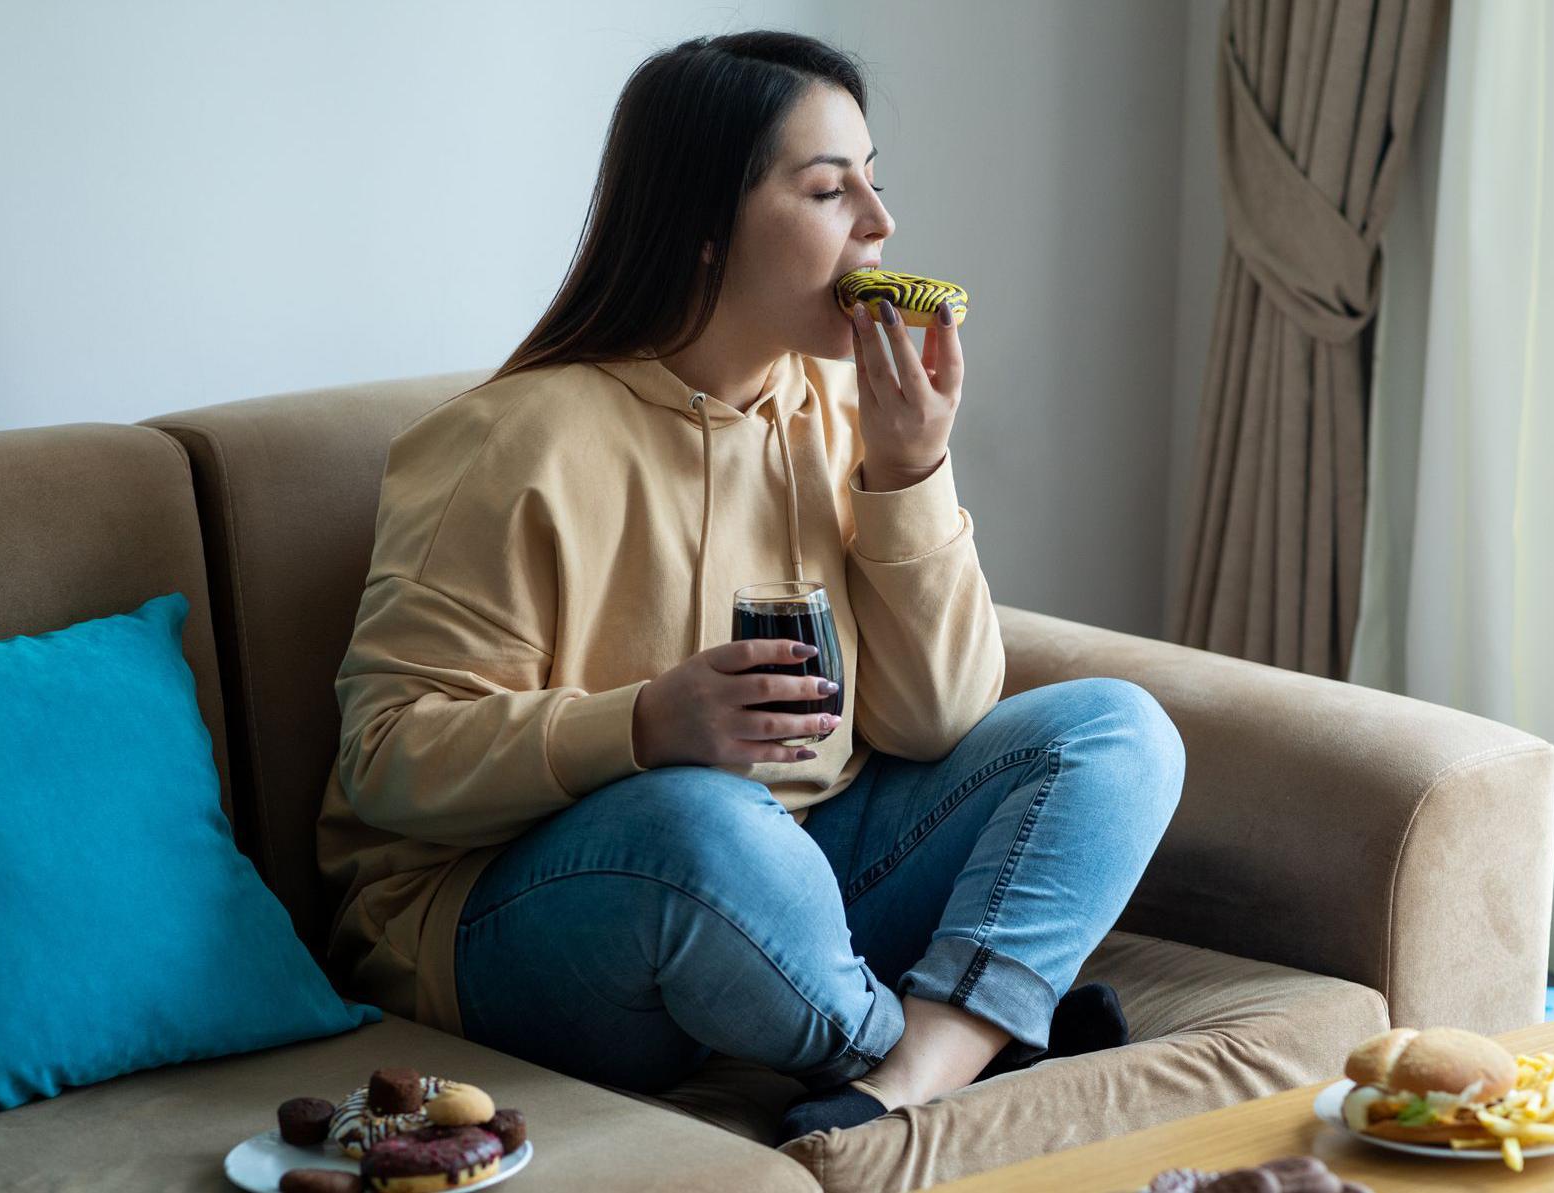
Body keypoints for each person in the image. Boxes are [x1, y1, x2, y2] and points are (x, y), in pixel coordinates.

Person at [316, 30, 1185, 1144]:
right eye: (830, 190)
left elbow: (938, 719)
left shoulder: (839, 416)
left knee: (1117, 729)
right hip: (530, 921)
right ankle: (966, 1042)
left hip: (798, 878)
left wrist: (908, 472)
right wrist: (638, 724)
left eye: (877, 183)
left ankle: (917, 1070)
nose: (877, 224)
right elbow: (384, 757)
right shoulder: (508, 445)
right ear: (706, 229)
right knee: (704, 818)